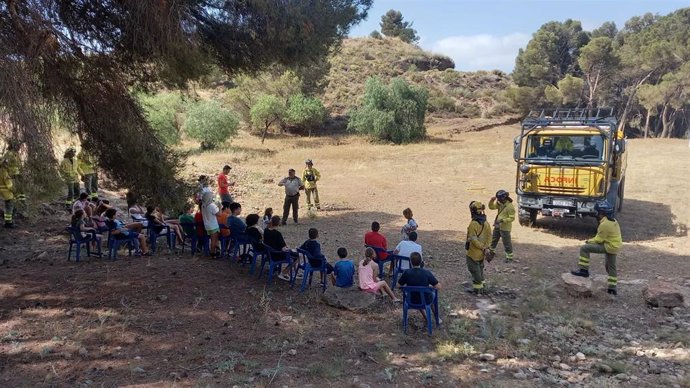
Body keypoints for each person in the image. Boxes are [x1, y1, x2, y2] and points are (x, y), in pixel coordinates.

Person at [571, 201, 622, 295]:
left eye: (597, 212)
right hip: (615, 246)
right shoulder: (613, 220)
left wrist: (588, 241)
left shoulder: (604, 224)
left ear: (602, 213)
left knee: (585, 248)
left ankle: (584, 270)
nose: (596, 214)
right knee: (611, 267)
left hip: (609, 246)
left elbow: (599, 239)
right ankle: (612, 288)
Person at [398, 252, 440, 320]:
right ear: (421, 262)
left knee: (417, 293)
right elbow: (438, 286)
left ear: (410, 262)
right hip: (425, 300)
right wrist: (430, 287)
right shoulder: (426, 272)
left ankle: (425, 317)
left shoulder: (406, 272)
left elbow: (398, 285)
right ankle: (436, 317)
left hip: (411, 299)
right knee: (430, 294)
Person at [465, 201, 492, 295]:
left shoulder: (473, 224)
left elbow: (473, 239)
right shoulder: (486, 223)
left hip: (473, 253)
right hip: (482, 253)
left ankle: (477, 290)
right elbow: (489, 236)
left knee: (474, 269)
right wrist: (486, 247)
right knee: (480, 269)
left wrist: (481, 247)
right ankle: (483, 287)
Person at [263, 215, 298, 281]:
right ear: (278, 223)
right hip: (277, 254)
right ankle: (284, 273)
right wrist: (290, 249)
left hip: (269, 253)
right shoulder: (277, 234)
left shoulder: (266, 230)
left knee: (293, 253)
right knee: (297, 256)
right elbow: (284, 247)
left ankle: (295, 272)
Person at [488, 190, 516, 262]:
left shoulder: (510, 206)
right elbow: (491, 207)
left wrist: (502, 220)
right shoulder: (500, 203)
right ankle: (491, 251)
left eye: (499, 199)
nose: (498, 200)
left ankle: (509, 257)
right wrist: (491, 201)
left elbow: (512, 218)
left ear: (503, 198)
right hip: (498, 226)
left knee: (506, 242)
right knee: (494, 239)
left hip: (505, 228)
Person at [201, 191, 220, 257]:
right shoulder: (212, 206)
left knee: (213, 239)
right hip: (213, 225)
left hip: (207, 225)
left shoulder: (203, 205)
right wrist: (220, 207)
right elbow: (219, 214)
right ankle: (213, 253)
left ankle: (215, 251)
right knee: (214, 240)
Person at [0, 160, 16, 228]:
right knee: (10, 208)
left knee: (8, 208)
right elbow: (9, 184)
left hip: (3, 193)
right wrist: (14, 190)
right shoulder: (4, 172)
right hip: (8, 193)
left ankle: (7, 222)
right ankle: (9, 223)